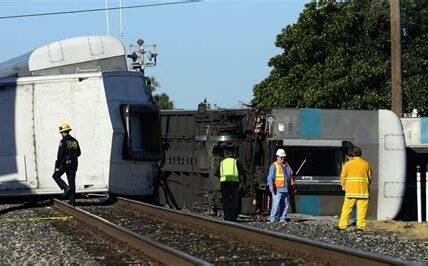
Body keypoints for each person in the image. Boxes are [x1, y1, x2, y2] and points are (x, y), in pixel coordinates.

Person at [338, 146, 372, 231]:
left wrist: (343, 185)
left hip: (351, 191)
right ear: (360, 154)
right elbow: (370, 178)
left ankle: (342, 225)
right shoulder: (366, 164)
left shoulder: (348, 164)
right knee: (362, 210)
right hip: (363, 191)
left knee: (347, 208)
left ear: (353, 154)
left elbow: (343, 177)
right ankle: (360, 227)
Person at [52, 123, 81, 205]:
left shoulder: (63, 141)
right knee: (72, 181)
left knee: (55, 176)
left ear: (63, 132)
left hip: (65, 164)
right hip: (74, 164)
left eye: (61, 133)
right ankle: (72, 202)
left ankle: (65, 187)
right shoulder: (75, 141)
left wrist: (57, 166)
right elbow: (79, 153)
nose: (61, 134)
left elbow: (60, 155)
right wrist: (73, 157)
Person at [215, 149, 244, 222]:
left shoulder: (222, 162)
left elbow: (218, 173)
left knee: (225, 200)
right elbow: (241, 172)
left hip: (224, 183)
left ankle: (227, 217)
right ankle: (233, 217)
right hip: (234, 183)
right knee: (234, 200)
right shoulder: (236, 162)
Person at [266, 148, 294, 225]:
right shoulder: (274, 165)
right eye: (281, 157)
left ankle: (282, 219)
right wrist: (271, 186)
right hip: (277, 189)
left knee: (285, 205)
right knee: (275, 204)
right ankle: (272, 219)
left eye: (283, 157)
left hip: (285, 189)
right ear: (277, 157)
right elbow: (270, 177)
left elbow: (289, 177)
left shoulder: (287, 166)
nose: (282, 159)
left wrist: (291, 187)